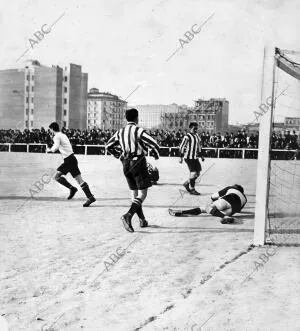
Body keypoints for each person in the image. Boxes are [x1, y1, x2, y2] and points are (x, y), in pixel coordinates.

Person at [106, 108, 160, 233]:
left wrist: (119, 155)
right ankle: (128, 215)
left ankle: (142, 220)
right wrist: (155, 154)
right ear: (136, 118)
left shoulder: (120, 131)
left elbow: (108, 146)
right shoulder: (138, 130)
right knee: (142, 194)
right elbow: (154, 144)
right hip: (138, 162)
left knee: (133, 194)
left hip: (125, 163)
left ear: (126, 118)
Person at [46, 122, 96, 207]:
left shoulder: (56, 136)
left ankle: (72, 189)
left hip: (68, 160)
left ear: (53, 129)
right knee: (80, 180)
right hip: (72, 158)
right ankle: (90, 197)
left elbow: (55, 148)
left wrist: (49, 149)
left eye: (50, 129)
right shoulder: (63, 135)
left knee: (57, 177)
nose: (50, 131)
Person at [169, 184, 247, 224]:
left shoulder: (231, 188)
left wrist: (213, 203)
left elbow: (213, 196)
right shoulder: (245, 199)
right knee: (213, 211)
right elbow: (239, 209)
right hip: (234, 208)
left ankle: (182, 212)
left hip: (228, 199)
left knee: (205, 207)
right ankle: (225, 217)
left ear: (235, 187)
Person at [179, 122, 204, 195]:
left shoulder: (197, 136)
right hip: (188, 157)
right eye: (194, 128)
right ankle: (192, 189)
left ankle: (187, 183)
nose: (196, 129)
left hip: (195, 157)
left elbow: (199, 146)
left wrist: (201, 155)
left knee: (198, 173)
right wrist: (180, 157)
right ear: (191, 128)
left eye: (197, 128)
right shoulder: (187, 136)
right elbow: (182, 146)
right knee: (193, 173)